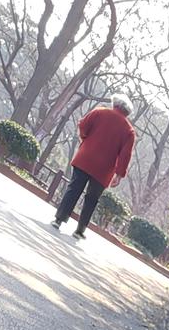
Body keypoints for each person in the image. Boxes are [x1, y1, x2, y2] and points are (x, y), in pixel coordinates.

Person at [51, 99, 136, 240]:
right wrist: (119, 174)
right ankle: (79, 230)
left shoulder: (99, 112)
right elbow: (125, 155)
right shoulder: (129, 131)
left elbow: (83, 126)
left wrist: (85, 138)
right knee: (92, 199)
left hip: (85, 158)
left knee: (74, 189)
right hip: (104, 169)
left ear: (115, 104)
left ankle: (59, 219)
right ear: (127, 112)